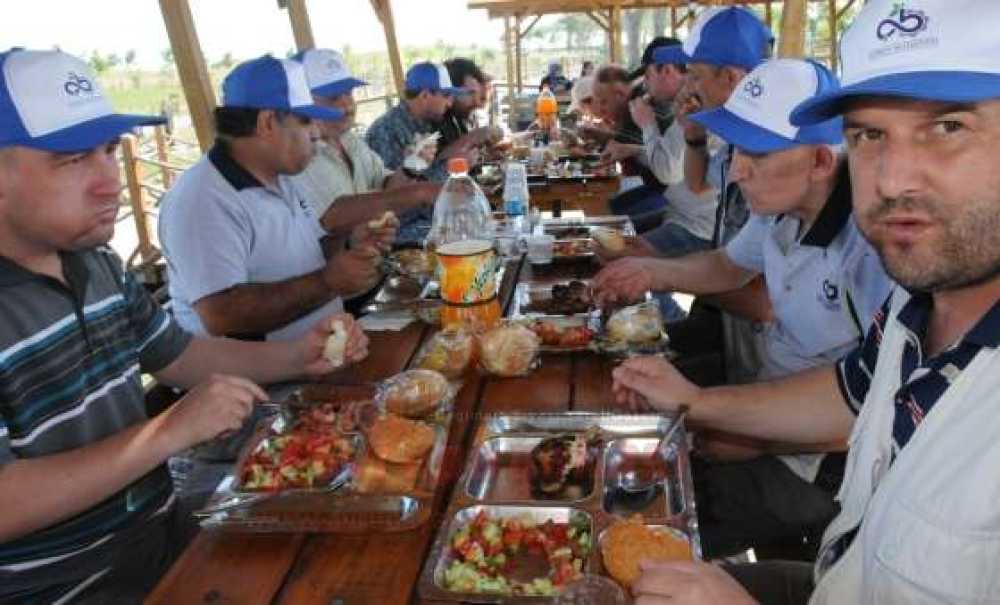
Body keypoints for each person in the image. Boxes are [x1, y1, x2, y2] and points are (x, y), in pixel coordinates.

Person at [614, 1, 1000, 602]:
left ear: (820, 162)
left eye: (948, 127)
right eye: (870, 135)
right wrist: (696, 401)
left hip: (810, 479)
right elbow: (852, 395)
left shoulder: (885, 257)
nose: (894, 178)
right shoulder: (920, 301)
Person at [0, 48, 369, 603]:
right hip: (66, 587)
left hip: (162, 537)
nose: (109, 182)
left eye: (107, 151)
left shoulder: (96, 265)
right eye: (72, 159)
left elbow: (181, 354)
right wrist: (167, 431)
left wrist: (300, 356)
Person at [596, 58, 894, 558]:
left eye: (755, 153)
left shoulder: (873, 253)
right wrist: (652, 273)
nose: (735, 170)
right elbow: (727, 266)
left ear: (822, 161)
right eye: (736, 150)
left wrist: (742, 435)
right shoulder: (781, 209)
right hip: (766, 405)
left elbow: (872, 415)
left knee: (632, 528)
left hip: (819, 464)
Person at [159, 55, 390, 341]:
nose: (316, 133)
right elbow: (221, 313)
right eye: (305, 121)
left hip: (325, 357)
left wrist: (349, 242)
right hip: (262, 383)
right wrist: (328, 282)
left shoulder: (282, 176)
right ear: (267, 122)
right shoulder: (202, 199)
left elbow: (307, 255)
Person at [653, 6, 774, 383]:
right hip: (727, 324)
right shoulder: (741, 133)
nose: (689, 87)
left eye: (695, 76)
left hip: (766, 361)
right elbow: (700, 183)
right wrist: (693, 136)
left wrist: (660, 274)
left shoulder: (775, 147)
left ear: (732, 78)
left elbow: (761, 303)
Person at [290, 48, 440, 234]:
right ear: (303, 102)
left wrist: (411, 167)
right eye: (333, 97)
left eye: (349, 93)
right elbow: (331, 221)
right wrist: (420, 193)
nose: (348, 105)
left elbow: (386, 186)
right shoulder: (299, 160)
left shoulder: (351, 141)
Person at [365, 61, 468, 242]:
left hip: (429, 219)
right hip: (401, 232)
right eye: (446, 95)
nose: (450, 102)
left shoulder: (426, 125)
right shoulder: (386, 131)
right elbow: (394, 202)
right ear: (425, 95)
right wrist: (449, 166)